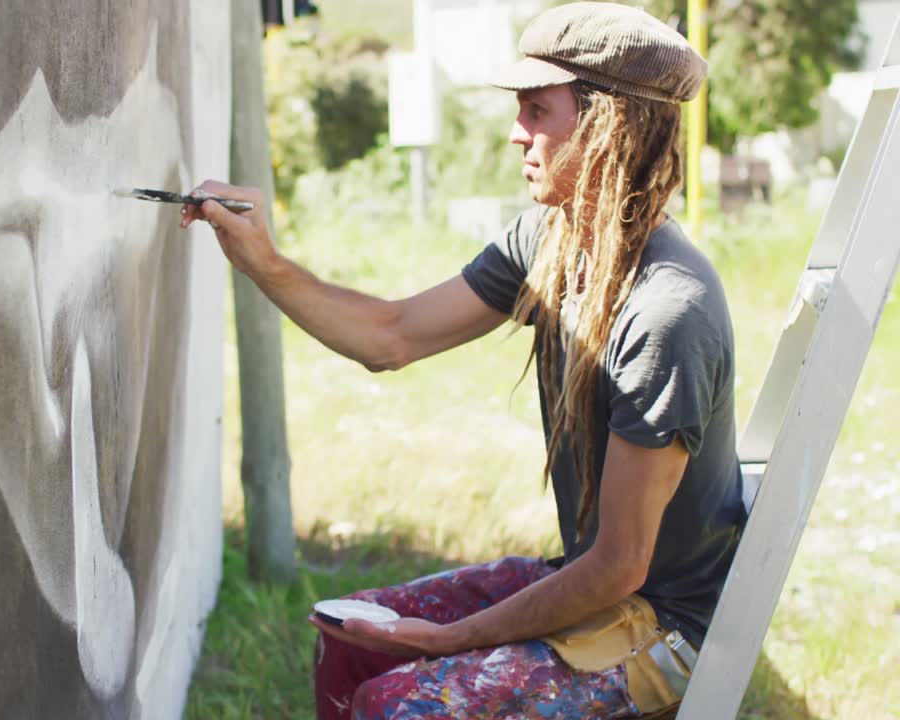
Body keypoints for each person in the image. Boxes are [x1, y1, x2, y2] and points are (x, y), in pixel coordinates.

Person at [181, 2, 747, 717]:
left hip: (658, 629)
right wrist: (262, 260)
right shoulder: (549, 238)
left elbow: (619, 566)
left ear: (609, 126)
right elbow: (392, 335)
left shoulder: (670, 311)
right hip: (597, 583)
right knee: (351, 629)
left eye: (538, 111)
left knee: (399, 701)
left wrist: (453, 640)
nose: (518, 134)